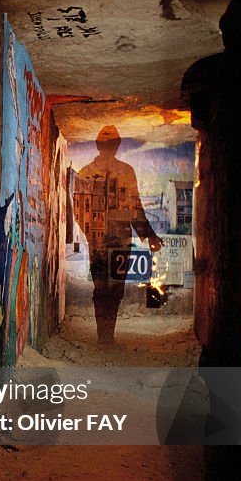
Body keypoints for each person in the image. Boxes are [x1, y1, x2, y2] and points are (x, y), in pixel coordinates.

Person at [73, 126, 162, 344]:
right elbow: (136, 208)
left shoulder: (84, 172)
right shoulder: (125, 171)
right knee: (113, 288)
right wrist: (149, 235)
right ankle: (106, 335)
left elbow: (78, 213)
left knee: (102, 287)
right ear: (117, 145)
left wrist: (92, 236)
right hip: (120, 241)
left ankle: (104, 335)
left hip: (102, 243)